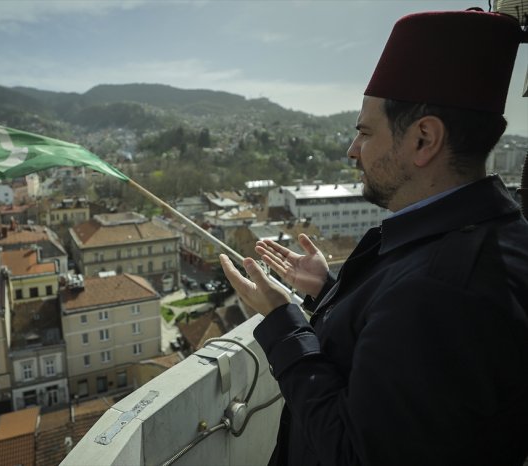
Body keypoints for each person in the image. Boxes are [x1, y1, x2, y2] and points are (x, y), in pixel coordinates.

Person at [220, 8, 527, 466]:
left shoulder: (440, 288)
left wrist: (284, 322)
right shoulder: (495, 238)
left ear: (424, 139)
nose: (352, 150)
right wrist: (331, 291)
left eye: (365, 131)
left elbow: (355, 454)